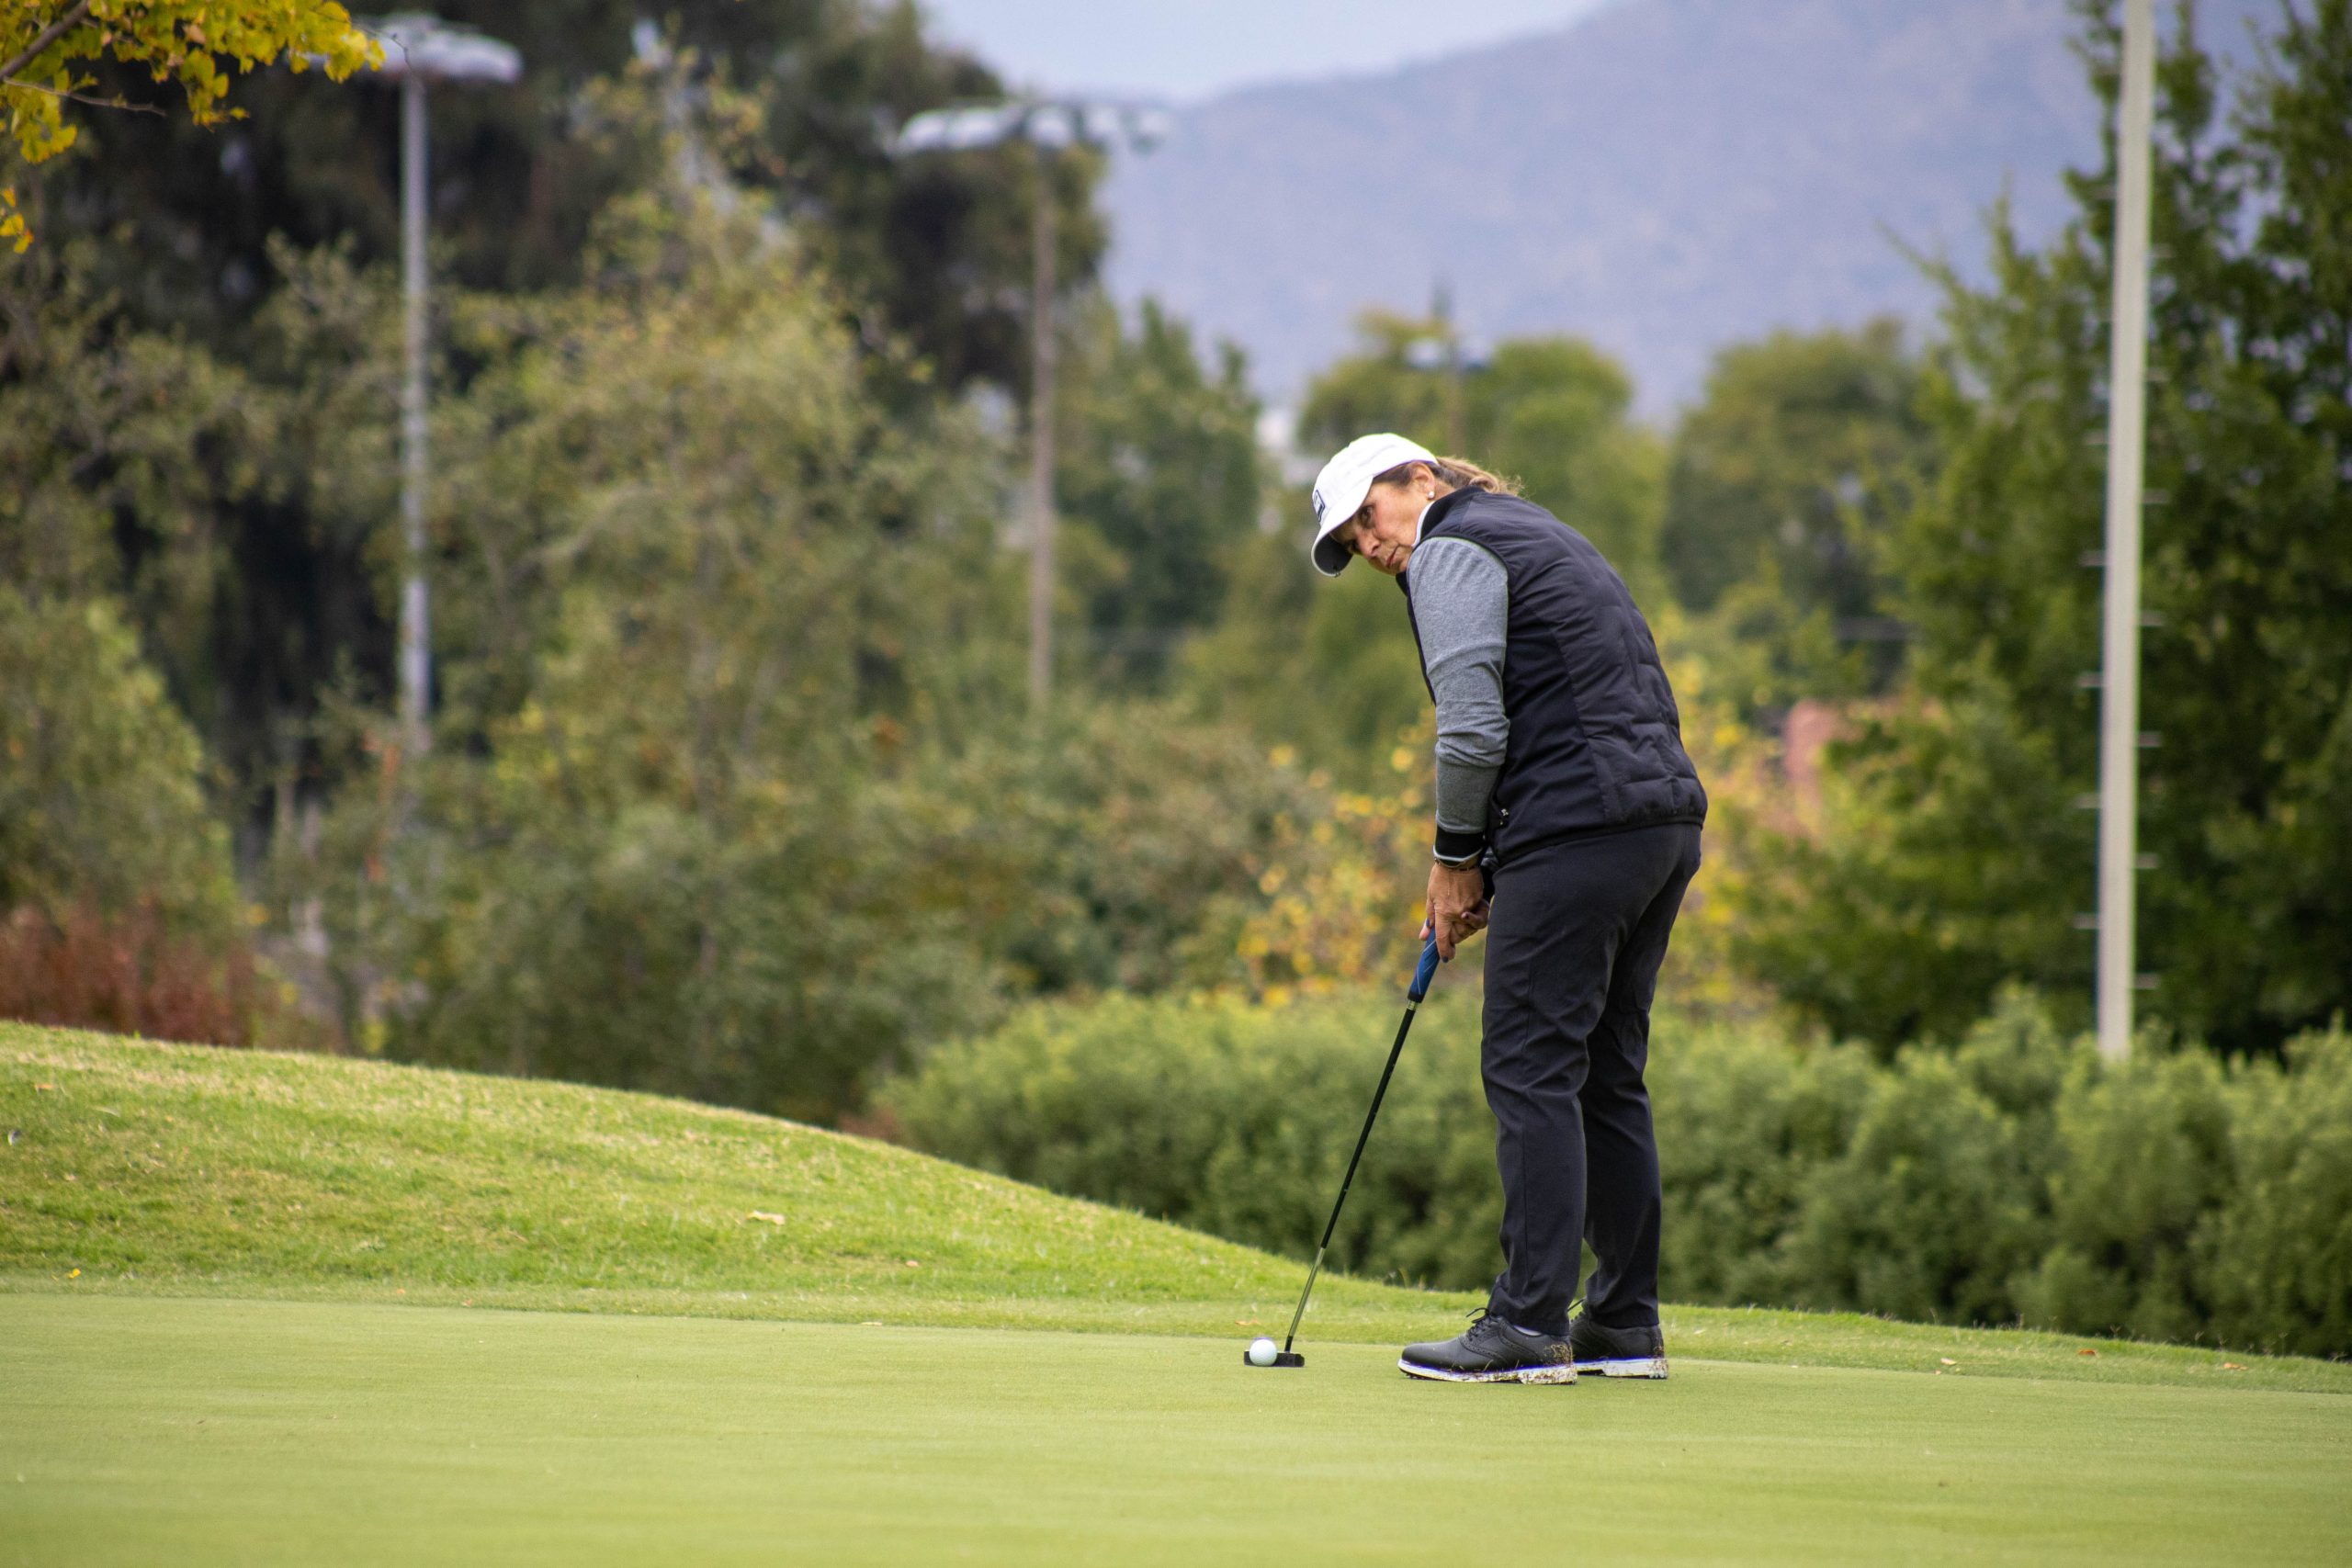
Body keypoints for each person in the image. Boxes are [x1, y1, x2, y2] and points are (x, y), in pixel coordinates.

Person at [1307, 431, 1707, 1384]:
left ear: (1421, 479)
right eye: (1352, 540)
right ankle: (1622, 1323)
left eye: (1369, 515)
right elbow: (1556, 703)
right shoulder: (1532, 531)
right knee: (1604, 1072)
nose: (1370, 543)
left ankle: (1528, 1322)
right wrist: (1491, 860)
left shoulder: (1448, 546)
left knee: (1530, 1064)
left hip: (1581, 829)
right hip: (1656, 826)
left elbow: (1474, 730)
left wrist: (1454, 862)